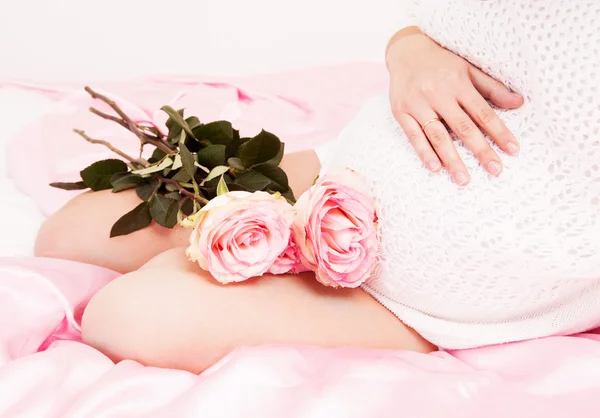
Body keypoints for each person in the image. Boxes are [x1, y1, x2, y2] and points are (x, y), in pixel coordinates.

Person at [35, 0, 600, 373]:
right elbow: (450, 28)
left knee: (126, 318)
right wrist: (409, 50)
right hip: (346, 169)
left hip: (422, 301)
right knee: (71, 235)